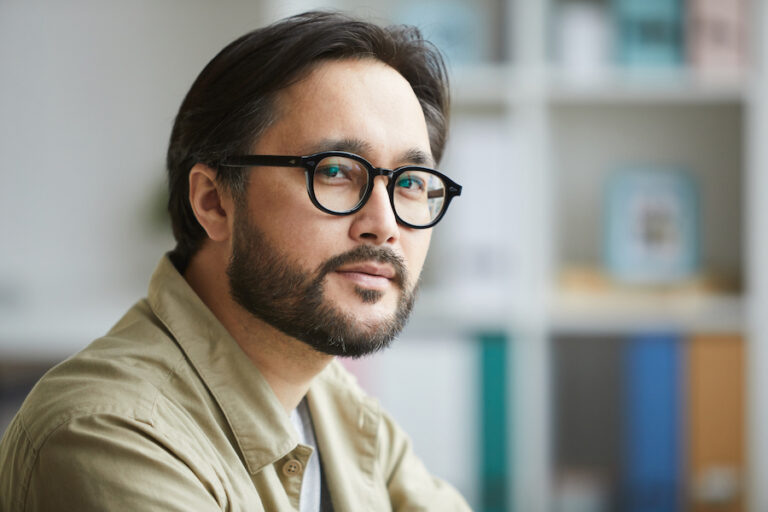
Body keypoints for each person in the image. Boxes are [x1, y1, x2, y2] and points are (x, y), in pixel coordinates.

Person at [0, 10, 468, 512]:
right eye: (334, 171)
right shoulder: (107, 434)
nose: (385, 223)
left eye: (412, 182)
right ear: (213, 202)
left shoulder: (340, 411)